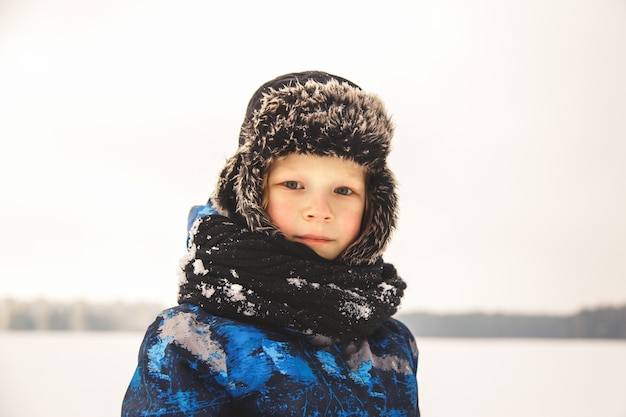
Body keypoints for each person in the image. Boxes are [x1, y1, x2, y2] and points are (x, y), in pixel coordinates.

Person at [122, 71, 420, 416]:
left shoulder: (392, 344)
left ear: (374, 205)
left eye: (343, 190)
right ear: (248, 195)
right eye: (293, 184)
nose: (320, 211)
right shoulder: (193, 340)